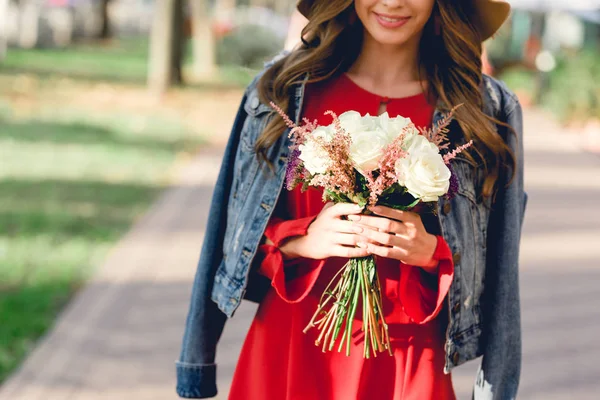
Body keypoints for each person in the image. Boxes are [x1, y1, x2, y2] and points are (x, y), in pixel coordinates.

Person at [176, 0, 527, 399]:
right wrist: (302, 240)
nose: (393, 2)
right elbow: (228, 232)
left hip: (408, 361)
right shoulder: (281, 91)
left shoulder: (486, 110)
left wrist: (431, 251)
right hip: (289, 349)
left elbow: (501, 268)